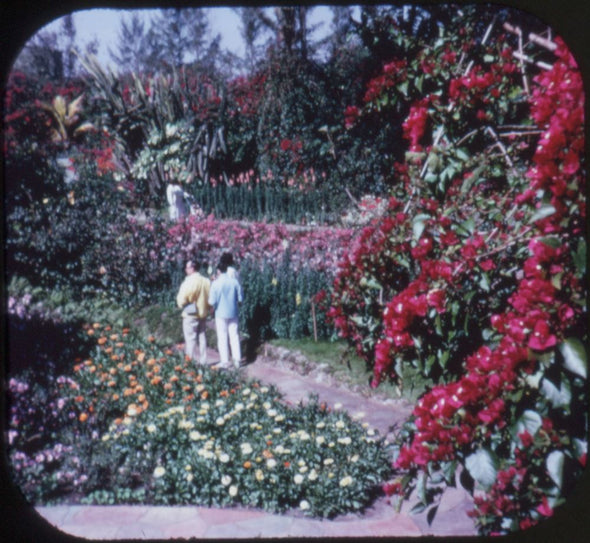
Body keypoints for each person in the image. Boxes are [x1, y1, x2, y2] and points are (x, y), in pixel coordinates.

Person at [209, 255, 243, 369]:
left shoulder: (215, 283)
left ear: (219, 271)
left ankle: (225, 361)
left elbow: (212, 301)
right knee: (234, 335)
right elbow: (240, 298)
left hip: (220, 312)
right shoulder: (234, 281)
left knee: (222, 336)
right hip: (233, 311)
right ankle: (237, 360)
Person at [176, 258, 211, 365]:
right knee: (202, 337)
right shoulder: (206, 281)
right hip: (203, 313)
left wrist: (183, 304)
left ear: (192, 268)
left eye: (187, 268)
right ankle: (203, 362)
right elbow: (210, 298)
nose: (186, 270)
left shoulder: (188, 281)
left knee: (190, 339)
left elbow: (181, 300)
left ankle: (189, 363)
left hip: (191, 314)